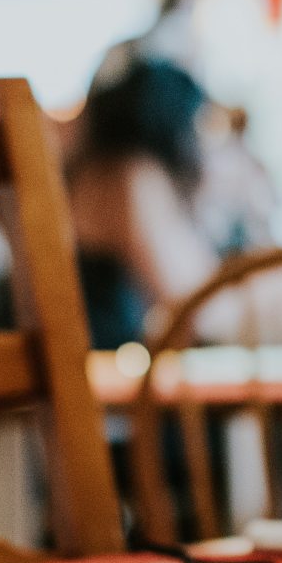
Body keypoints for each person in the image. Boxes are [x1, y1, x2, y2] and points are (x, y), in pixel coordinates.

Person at [69, 57, 219, 348]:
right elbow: (189, 302)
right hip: (100, 368)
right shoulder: (128, 176)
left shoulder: (93, 169)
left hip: (90, 360)